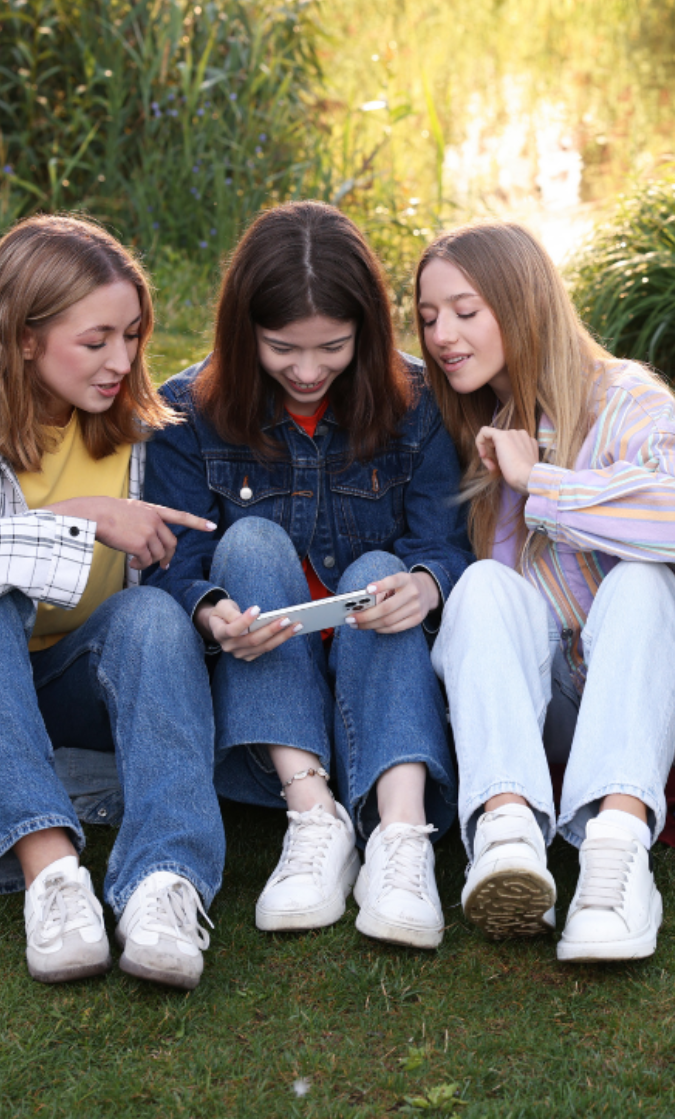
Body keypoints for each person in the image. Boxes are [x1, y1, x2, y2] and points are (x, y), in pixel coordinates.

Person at [144, 202, 470, 949]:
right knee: (251, 540)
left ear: (368, 333)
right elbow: (174, 565)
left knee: (385, 567)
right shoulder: (188, 412)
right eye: (282, 348)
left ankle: (400, 836)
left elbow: (445, 543)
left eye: (333, 348)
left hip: (382, 689)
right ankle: (312, 816)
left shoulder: (414, 403)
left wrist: (423, 588)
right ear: (242, 330)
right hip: (267, 709)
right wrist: (211, 611)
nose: (308, 370)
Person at [415, 222, 675, 963]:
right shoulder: (463, 426)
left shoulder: (625, 399)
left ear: (521, 302)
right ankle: (507, 833)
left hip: (667, 693)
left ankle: (615, 855)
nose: (443, 335)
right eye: (430, 317)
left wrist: (541, 485)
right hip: (552, 704)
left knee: (643, 580)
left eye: (466, 311)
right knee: (486, 585)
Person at [0, 215, 223, 988]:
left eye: (132, 335)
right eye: (96, 342)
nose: (121, 361)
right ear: (24, 337)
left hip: (68, 686)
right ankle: (51, 875)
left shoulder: (137, 424)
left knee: (154, 617)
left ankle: (165, 885)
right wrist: (78, 519)